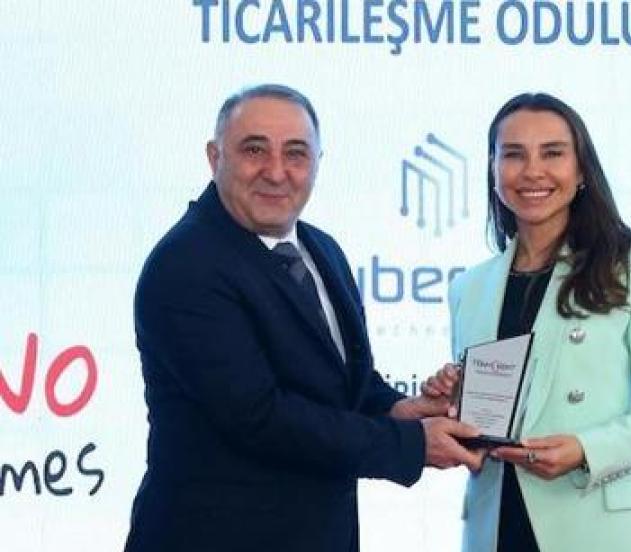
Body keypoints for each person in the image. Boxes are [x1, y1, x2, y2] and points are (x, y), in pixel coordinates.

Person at [124, 84, 482, 552]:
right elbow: (260, 418)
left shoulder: (322, 248)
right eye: (254, 150)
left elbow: (340, 385)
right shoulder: (186, 264)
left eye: (296, 153)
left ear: (317, 162)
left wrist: (398, 409)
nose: (276, 172)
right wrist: (409, 444)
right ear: (215, 157)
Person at [425, 93, 631, 551]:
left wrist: (586, 450)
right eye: (514, 155)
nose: (533, 171)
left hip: (593, 522)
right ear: (493, 171)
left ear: (581, 169)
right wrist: (451, 399)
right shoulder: (469, 287)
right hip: (496, 525)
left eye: (552, 153)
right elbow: (490, 413)